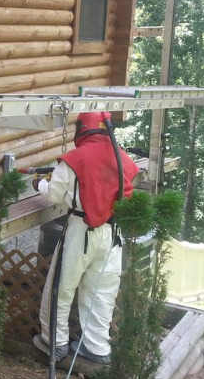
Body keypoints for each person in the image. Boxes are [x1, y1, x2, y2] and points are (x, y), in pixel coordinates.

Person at [31, 111, 139, 364]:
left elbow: (55, 195)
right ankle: (97, 348)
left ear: (82, 129)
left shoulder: (75, 158)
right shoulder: (121, 156)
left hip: (81, 229)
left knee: (61, 287)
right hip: (112, 234)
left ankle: (54, 342)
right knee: (102, 291)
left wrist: (39, 185)